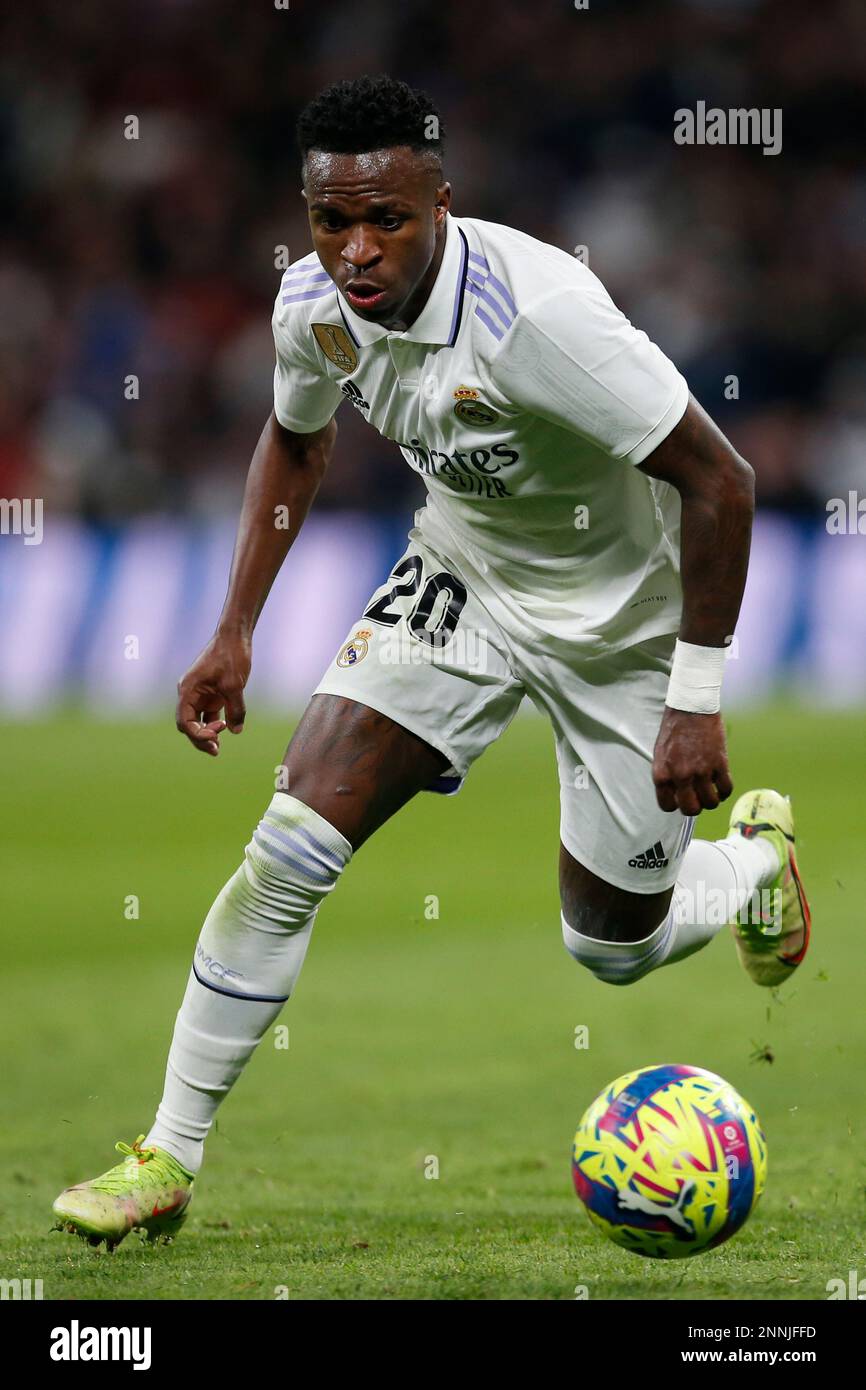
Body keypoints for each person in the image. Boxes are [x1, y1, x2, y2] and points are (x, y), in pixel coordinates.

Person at [52, 75, 810, 1251]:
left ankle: (752, 865)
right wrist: (234, 630)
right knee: (291, 841)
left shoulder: (540, 317)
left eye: (386, 221)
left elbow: (722, 482)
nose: (356, 250)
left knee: (608, 946)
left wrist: (692, 698)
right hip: (460, 585)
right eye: (330, 221)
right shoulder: (311, 305)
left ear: (440, 204)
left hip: (620, 629)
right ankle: (166, 1153)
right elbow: (296, 444)